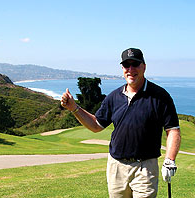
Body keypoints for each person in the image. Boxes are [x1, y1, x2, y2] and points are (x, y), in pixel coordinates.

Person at [61, 48, 181, 198]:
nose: (130, 69)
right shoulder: (114, 97)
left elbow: (173, 130)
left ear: (144, 66)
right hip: (116, 167)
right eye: (126, 65)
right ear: (122, 69)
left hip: (145, 167)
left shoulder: (160, 96)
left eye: (135, 64)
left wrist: (170, 159)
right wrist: (74, 108)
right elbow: (96, 125)